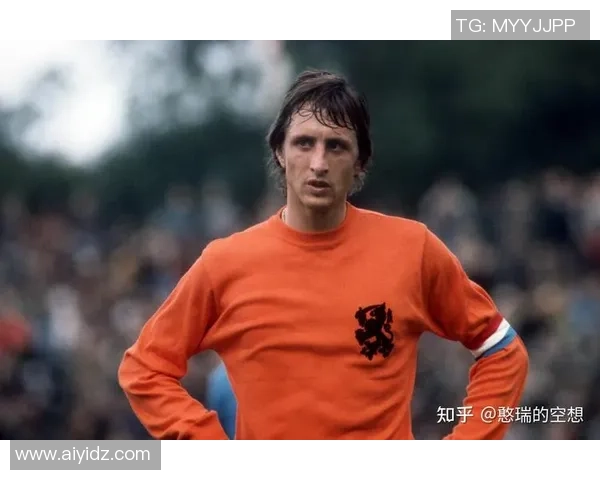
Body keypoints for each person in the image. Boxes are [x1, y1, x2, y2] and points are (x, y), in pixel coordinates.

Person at [118, 69, 529, 440]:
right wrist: (207, 444)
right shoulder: (225, 263)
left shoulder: (412, 249)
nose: (318, 163)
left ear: (359, 161)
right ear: (279, 152)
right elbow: (145, 368)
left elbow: (502, 351)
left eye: (336, 146)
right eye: (304, 143)